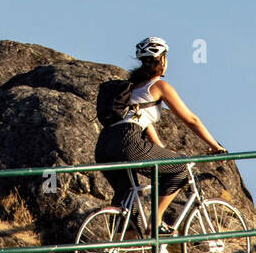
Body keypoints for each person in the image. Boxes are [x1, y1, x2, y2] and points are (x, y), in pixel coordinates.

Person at [95, 37, 226, 230]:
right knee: (180, 169)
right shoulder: (159, 86)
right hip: (127, 140)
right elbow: (191, 120)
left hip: (104, 145)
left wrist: (161, 150)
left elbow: (144, 124)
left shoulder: (133, 88)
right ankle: (155, 223)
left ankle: (125, 251)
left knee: (127, 197)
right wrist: (215, 146)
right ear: (162, 60)